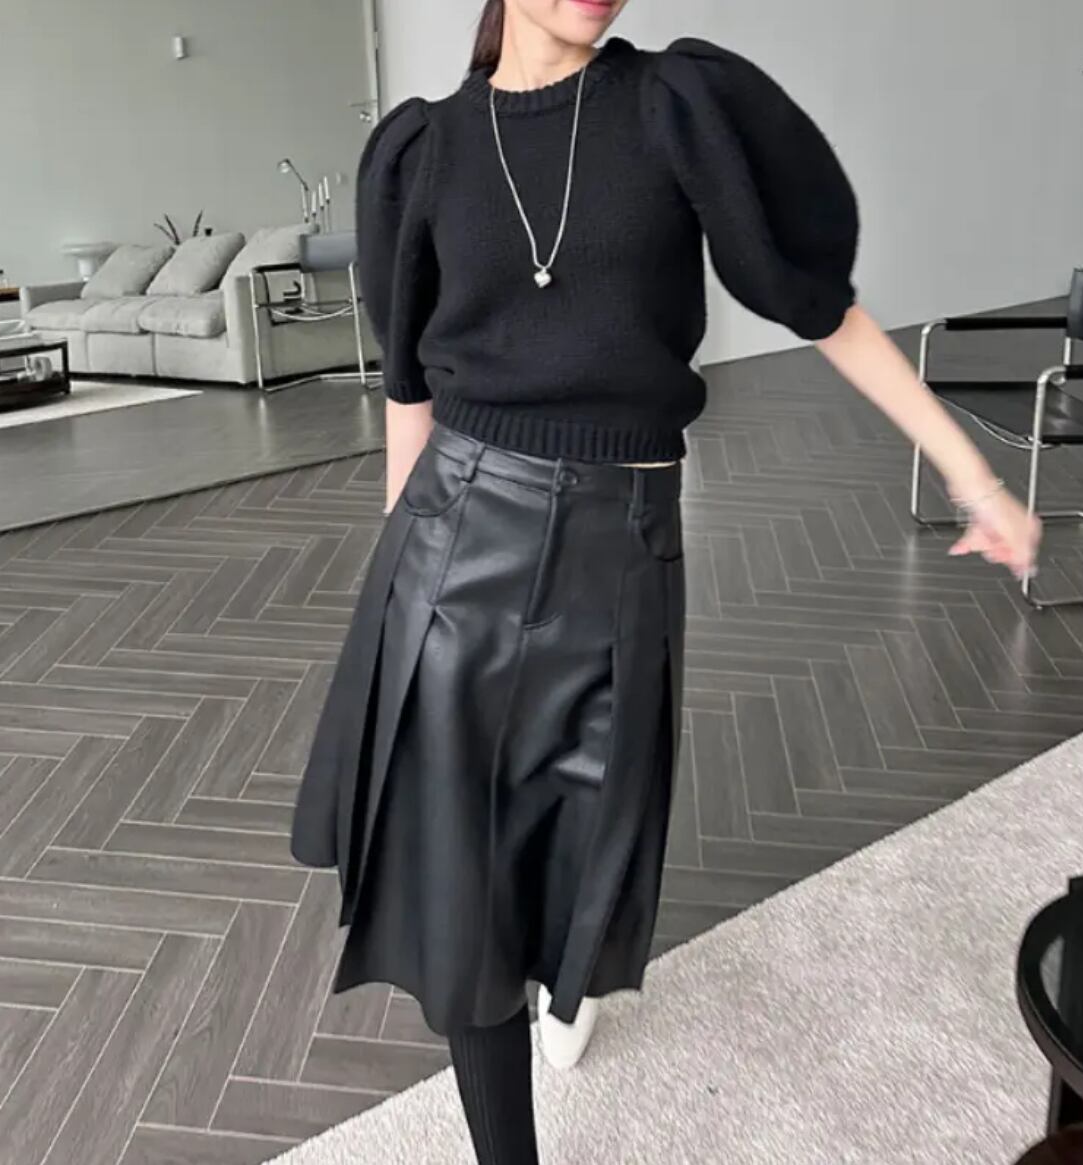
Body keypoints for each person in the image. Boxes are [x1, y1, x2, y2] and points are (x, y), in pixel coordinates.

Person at [290, 1, 1042, 1161]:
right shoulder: (426, 149)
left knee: (591, 832)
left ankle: (564, 979)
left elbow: (818, 308)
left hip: (625, 542)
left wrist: (971, 472)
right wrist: (394, 592)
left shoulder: (672, 108)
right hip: (456, 543)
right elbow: (408, 391)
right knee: (464, 899)